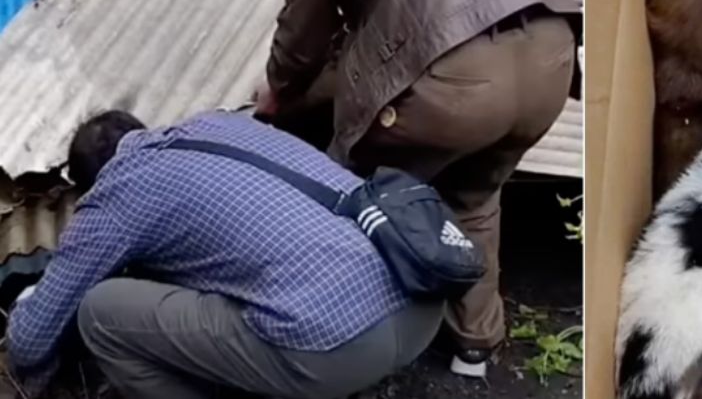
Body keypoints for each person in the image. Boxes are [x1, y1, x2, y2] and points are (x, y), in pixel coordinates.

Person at [249, 0, 579, 377]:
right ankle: (475, 344)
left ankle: (328, 337)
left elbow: (306, 29)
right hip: (551, 57)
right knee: (473, 194)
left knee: (349, 185)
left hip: (458, 76)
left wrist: (276, 95)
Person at [5, 110, 442, 398]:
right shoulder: (220, 123)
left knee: (99, 314)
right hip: (422, 295)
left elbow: (28, 343)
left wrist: (30, 304)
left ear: (89, 184)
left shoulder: (117, 191)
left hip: (338, 349)